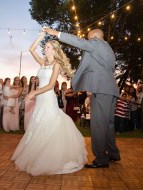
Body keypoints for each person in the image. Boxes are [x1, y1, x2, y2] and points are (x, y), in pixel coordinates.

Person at [11, 31, 87, 176]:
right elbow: (31, 49)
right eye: (45, 47)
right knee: (38, 125)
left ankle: (51, 158)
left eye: (48, 47)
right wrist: (40, 35)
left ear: (55, 50)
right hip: (41, 98)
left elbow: (51, 85)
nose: (45, 50)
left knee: (49, 124)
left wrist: (34, 92)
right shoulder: (43, 63)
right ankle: (38, 156)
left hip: (47, 97)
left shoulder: (56, 64)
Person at [44, 28, 120, 168]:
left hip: (102, 89)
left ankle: (101, 159)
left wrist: (56, 33)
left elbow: (80, 43)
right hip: (110, 90)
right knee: (108, 125)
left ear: (95, 37)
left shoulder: (97, 44)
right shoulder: (108, 49)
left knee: (98, 125)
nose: (88, 40)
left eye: (89, 38)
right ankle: (113, 154)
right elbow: (94, 68)